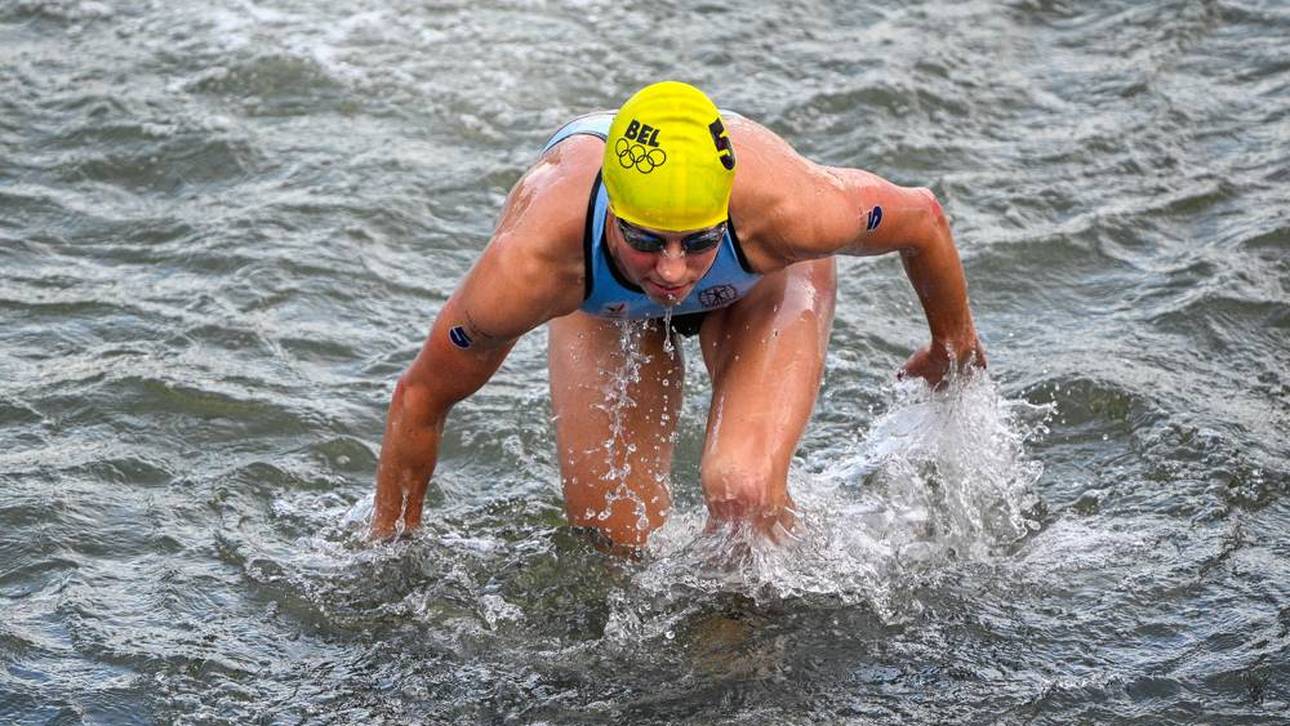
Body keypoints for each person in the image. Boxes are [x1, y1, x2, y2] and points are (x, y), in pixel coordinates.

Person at [370, 81, 985, 547]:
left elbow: (923, 218)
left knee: (743, 492)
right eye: (647, 241)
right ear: (612, 216)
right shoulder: (534, 263)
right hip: (603, 303)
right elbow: (420, 396)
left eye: (696, 242)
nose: (672, 271)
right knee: (614, 544)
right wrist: (392, 550)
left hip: (758, 281)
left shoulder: (792, 209)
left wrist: (951, 347)